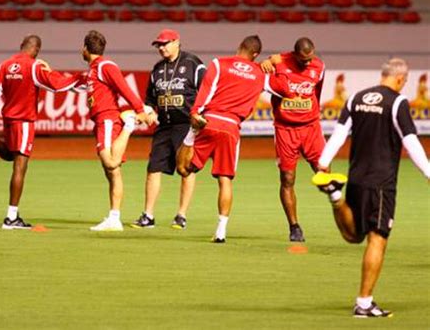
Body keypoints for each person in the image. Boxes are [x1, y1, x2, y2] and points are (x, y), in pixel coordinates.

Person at [312, 58, 430, 317]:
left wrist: (324, 161)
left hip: (356, 178)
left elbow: (339, 133)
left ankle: (334, 195)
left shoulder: (355, 98)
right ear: (400, 78)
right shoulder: (398, 102)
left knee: (354, 235)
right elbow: (410, 142)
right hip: (381, 183)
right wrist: (429, 172)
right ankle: (364, 303)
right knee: (378, 238)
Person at [0, 35, 82, 229]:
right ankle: (11, 217)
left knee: (9, 155)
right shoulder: (34, 67)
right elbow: (56, 85)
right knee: (20, 166)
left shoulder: (5, 65)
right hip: (24, 121)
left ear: (21, 46)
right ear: (37, 50)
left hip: (9, 119)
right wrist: (83, 79)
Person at [176, 35, 288, 243]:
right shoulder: (260, 74)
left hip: (209, 121)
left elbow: (206, 91)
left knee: (184, 169)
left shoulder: (219, 64)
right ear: (255, 55)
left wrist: (195, 114)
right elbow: (285, 89)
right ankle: (221, 231)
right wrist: (275, 64)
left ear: (239, 47)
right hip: (231, 127)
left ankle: (191, 134)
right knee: (225, 179)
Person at [81, 30, 157, 232]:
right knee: (113, 173)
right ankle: (114, 218)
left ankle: (129, 125)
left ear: (85, 49)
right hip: (101, 121)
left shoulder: (105, 66)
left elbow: (124, 88)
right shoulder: (93, 70)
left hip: (107, 119)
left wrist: (139, 111)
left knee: (111, 162)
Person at [131, 29, 206, 230]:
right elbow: (150, 100)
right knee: (153, 169)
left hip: (186, 126)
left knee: (186, 169)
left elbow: (207, 91)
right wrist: (146, 113)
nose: (161, 48)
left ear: (177, 42)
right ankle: (148, 215)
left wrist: (201, 117)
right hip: (164, 126)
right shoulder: (157, 69)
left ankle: (181, 215)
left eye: (165, 44)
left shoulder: (193, 63)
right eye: (159, 45)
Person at [261, 37, 326, 242]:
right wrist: (274, 64)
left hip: (311, 128)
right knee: (287, 179)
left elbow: (317, 92)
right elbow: (282, 88)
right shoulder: (277, 63)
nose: (308, 63)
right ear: (294, 54)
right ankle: (294, 226)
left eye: (310, 58)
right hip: (285, 129)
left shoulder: (319, 66)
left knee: (325, 175)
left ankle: (343, 212)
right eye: (303, 59)